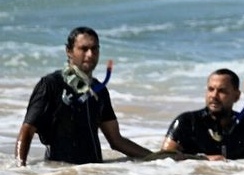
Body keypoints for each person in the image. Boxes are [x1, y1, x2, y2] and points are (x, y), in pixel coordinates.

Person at [14, 26, 152, 166]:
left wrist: (156, 158)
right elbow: (27, 131)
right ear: (69, 51)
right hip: (58, 174)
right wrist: (20, 170)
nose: (90, 54)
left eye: (94, 49)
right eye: (84, 49)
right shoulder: (50, 85)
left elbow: (116, 140)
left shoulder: (99, 90)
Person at [161, 69, 244, 160]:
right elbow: (163, 158)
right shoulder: (186, 122)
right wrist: (202, 159)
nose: (214, 95)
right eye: (211, 89)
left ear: (236, 96)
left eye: (222, 91)